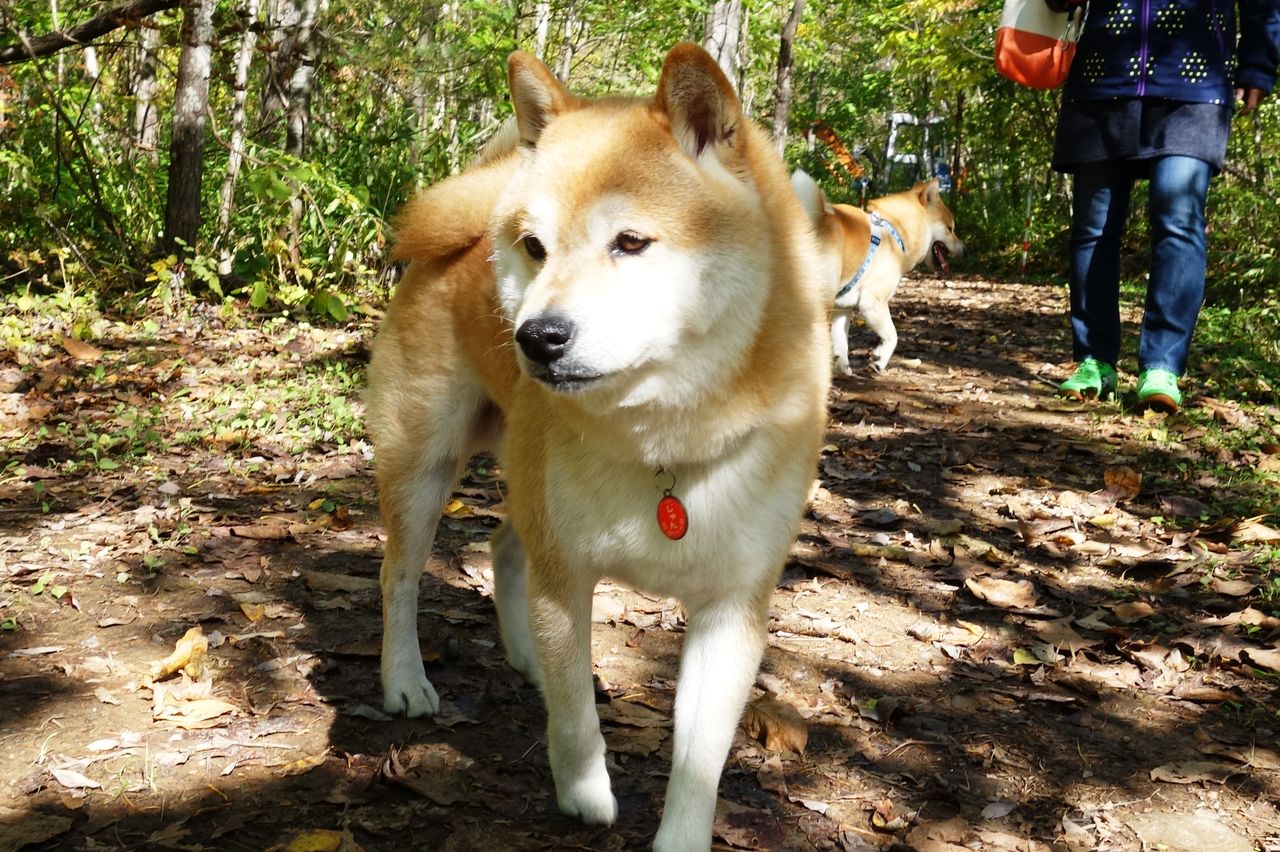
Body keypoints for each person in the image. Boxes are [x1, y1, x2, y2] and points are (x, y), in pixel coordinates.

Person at [1048, 0, 1280, 412]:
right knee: (1093, 229)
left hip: (1195, 85)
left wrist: (1258, 65)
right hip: (1101, 78)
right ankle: (1094, 360)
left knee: (1179, 221)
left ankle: (1162, 366)